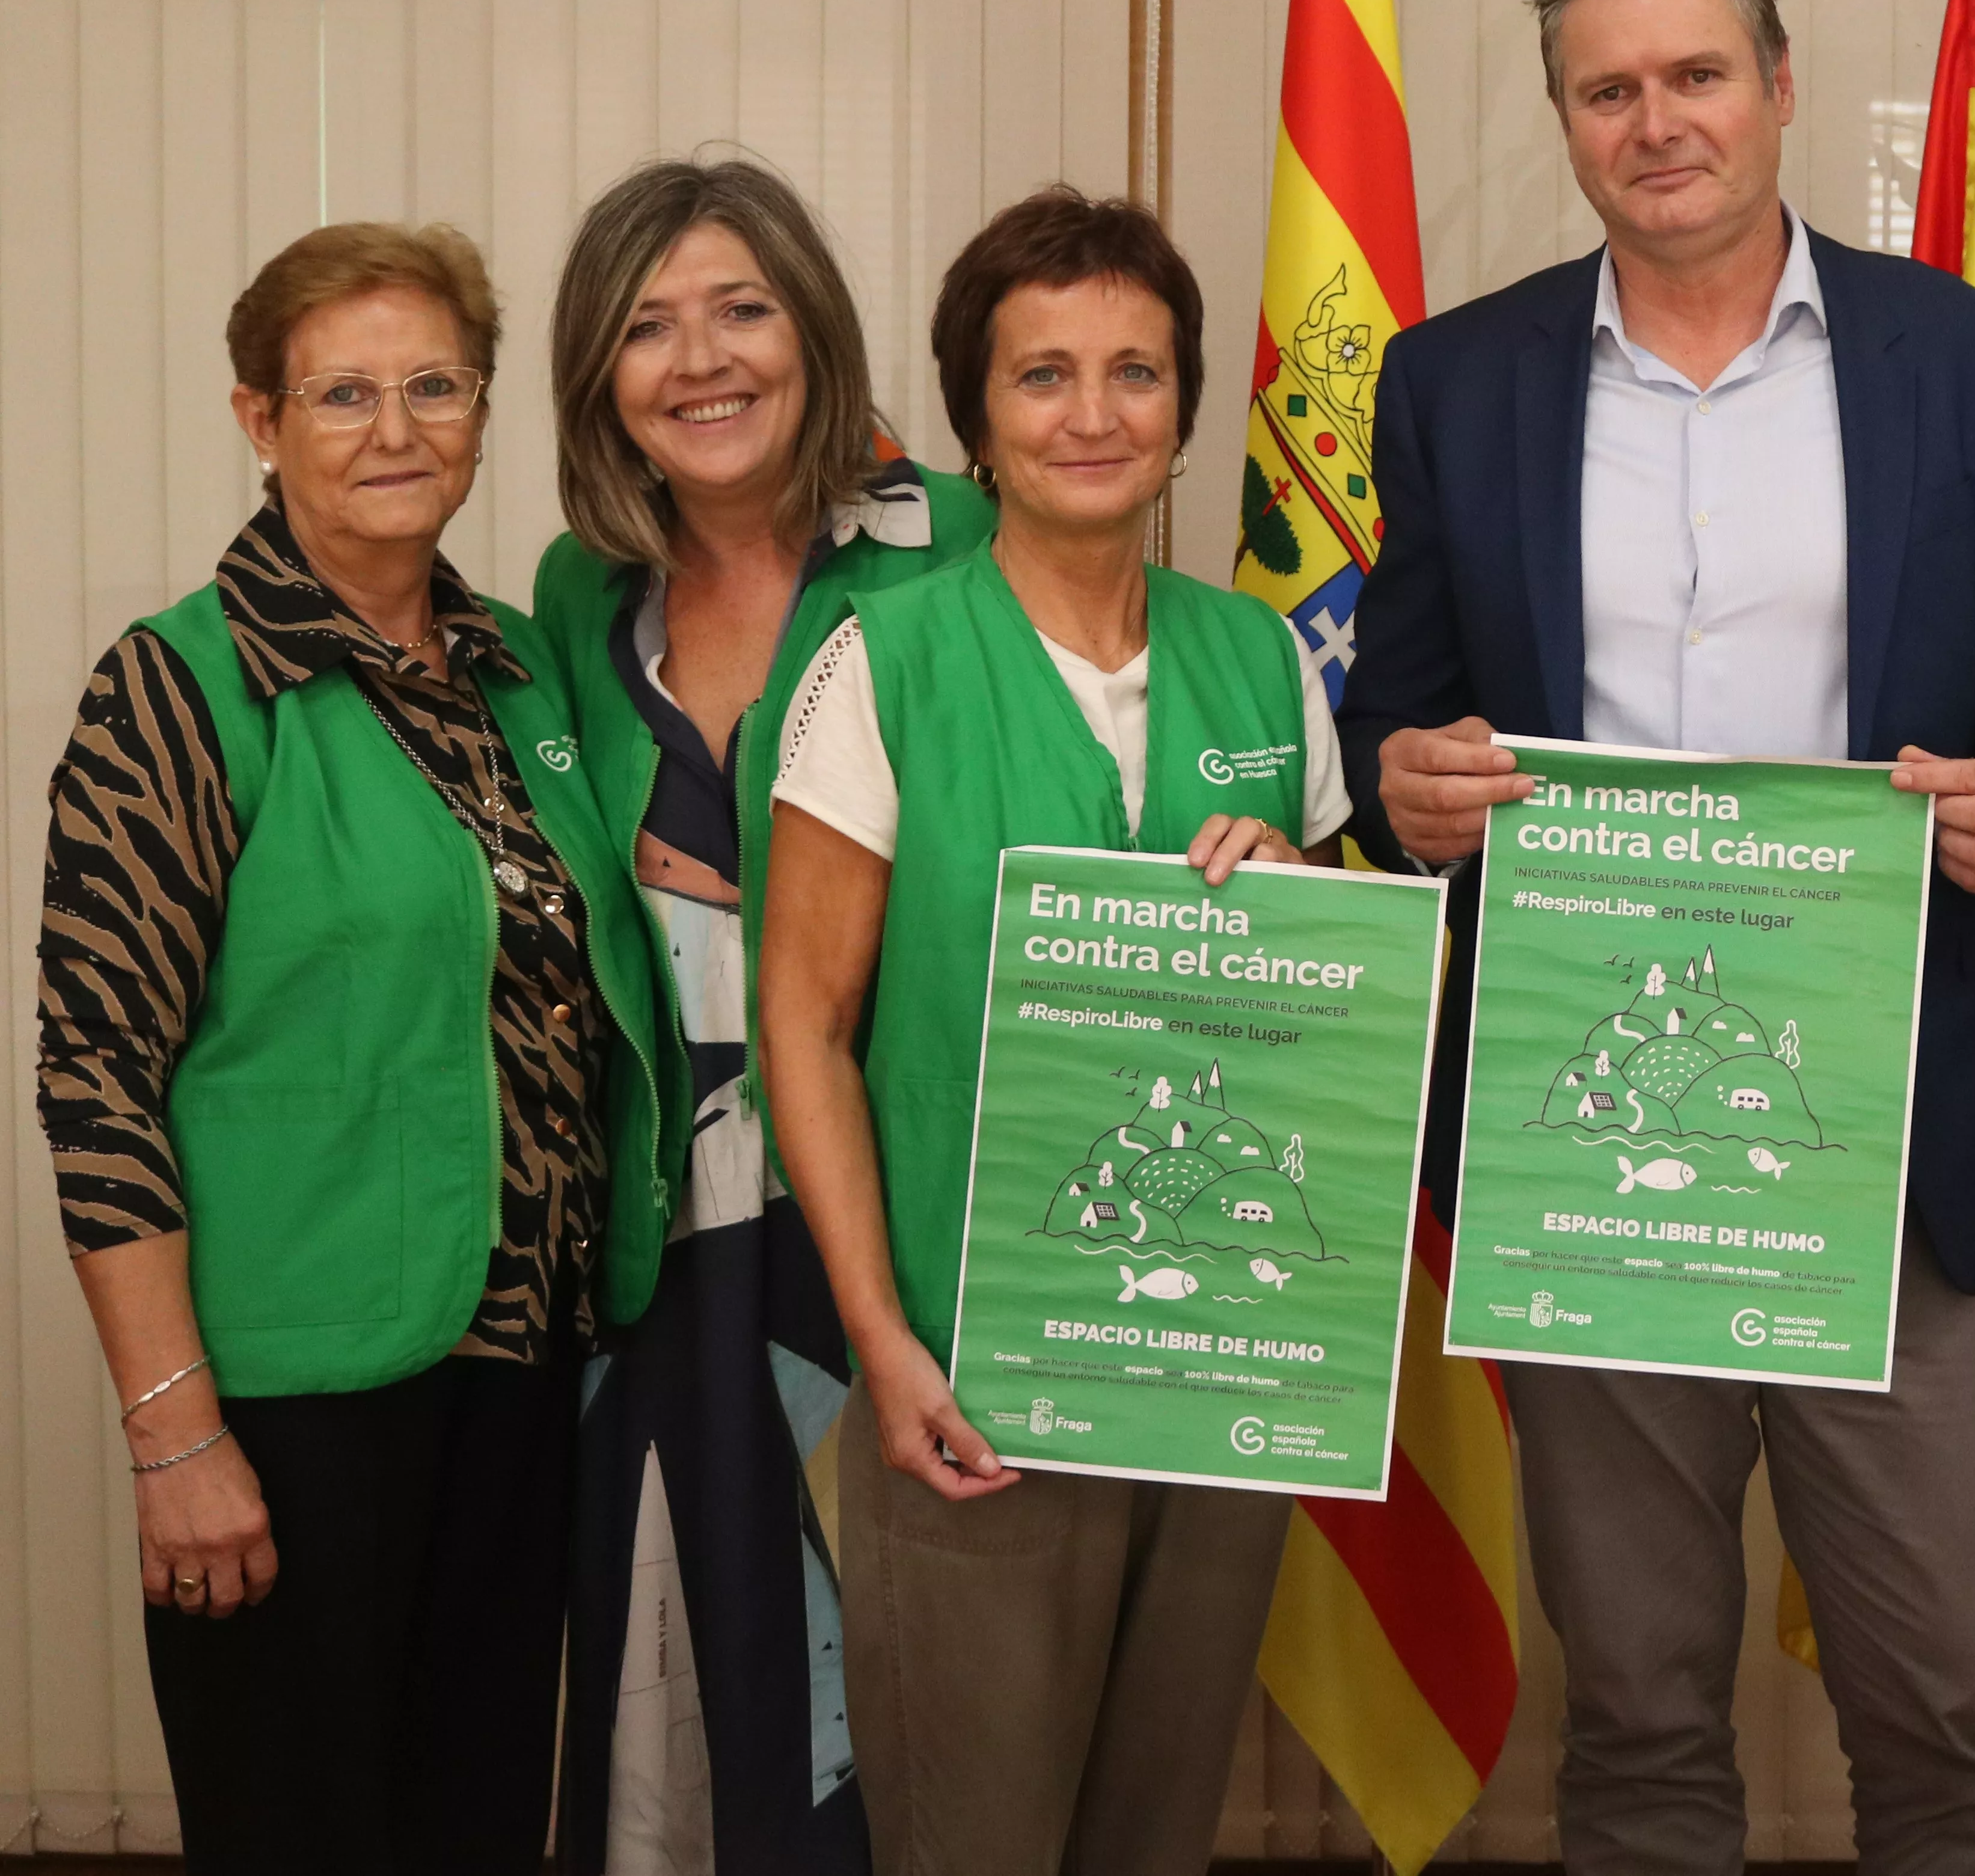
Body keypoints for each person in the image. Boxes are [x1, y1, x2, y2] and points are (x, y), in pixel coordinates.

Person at [1340, 0, 1975, 1876]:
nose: (1655, 120)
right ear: (1566, 117)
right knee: (1645, 1704)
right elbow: (1401, 703)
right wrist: (1400, 783)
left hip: (1881, 1131)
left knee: (1943, 1703)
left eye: (1695, 72)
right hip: (1583, 1134)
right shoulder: (1452, 382)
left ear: (1777, 88)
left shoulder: (1967, 361)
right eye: (1608, 89)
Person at [32, 223, 672, 1872]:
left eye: (434, 384)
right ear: (260, 417)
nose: (397, 428)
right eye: (343, 392)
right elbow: (95, 1071)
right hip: (294, 1397)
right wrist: (174, 1433)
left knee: (472, 1827)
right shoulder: (177, 691)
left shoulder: (521, 669)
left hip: (521, 1368)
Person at [756, 186, 1350, 1876]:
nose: (1092, 414)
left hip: (1223, 1366)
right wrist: (883, 1344)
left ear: (1183, 413)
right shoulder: (884, 660)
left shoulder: (1262, 663)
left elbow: (1340, 1013)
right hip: (975, 1382)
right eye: (1042, 376)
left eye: (1135, 373)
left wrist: (1305, 895)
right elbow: (802, 1021)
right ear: (976, 419)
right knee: (978, 1831)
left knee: (1153, 1825)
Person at [533, 155, 996, 1871]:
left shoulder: (955, 534)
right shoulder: (580, 591)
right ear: (601, 377)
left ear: (813, 328)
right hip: (661, 1245)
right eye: (646, 326)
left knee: (892, 1691)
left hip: (893, 1227)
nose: (699, 357)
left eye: (740, 306)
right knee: (669, 1677)